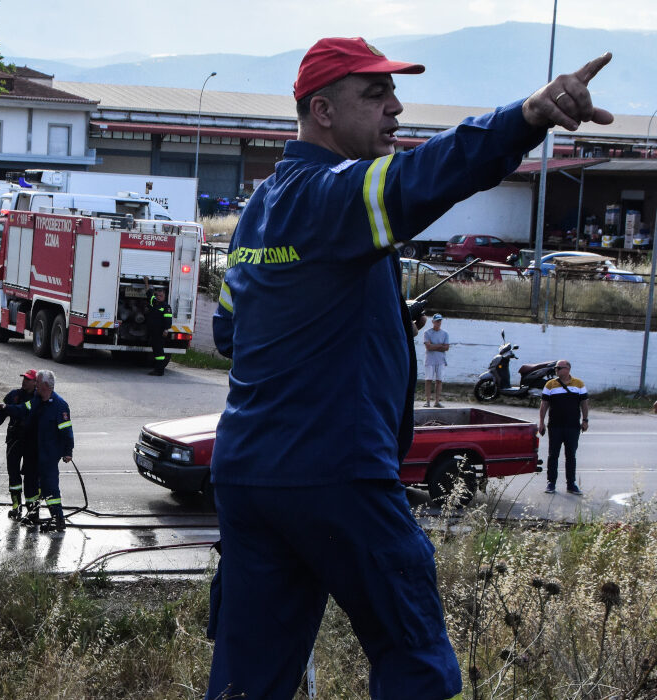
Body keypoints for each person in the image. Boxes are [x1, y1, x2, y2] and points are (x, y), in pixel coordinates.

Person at [208, 36, 612, 700]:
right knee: (414, 656)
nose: (396, 108)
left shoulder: (258, 212)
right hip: (337, 471)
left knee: (249, 681)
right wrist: (529, 116)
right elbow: (427, 176)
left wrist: (357, 323)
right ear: (323, 111)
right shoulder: (334, 192)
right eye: (375, 95)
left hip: (248, 478)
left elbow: (231, 330)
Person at [0, 369, 74, 532]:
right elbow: (22, 409)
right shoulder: (36, 400)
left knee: (50, 487)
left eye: (38, 383)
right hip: (33, 453)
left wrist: (68, 451)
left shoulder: (60, 406)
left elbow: (67, 432)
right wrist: (7, 408)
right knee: (31, 486)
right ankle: (33, 514)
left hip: (49, 455)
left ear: (46, 386)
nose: (36, 386)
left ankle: (58, 519)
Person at [0, 369, 38, 518]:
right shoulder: (14, 395)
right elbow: (1, 411)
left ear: (35, 382)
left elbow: (20, 411)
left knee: (31, 477)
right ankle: (16, 507)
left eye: (28, 379)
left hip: (32, 443)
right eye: (24, 378)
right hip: (14, 441)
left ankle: (32, 510)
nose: (24, 381)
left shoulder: (38, 399)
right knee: (13, 475)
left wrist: (7, 408)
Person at [538, 359, 590, 495]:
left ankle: (571, 484)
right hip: (555, 426)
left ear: (568, 369)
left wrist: (585, 420)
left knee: (571, 455)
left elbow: (584, 403)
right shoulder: (550, 385)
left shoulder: (579, 384)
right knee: (553, 455)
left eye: (559, 368)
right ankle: (551, 483)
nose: (557, 370)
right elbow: (544, 405)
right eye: (556, 368)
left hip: (572, 426)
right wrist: (541, 422)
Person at [143, 276, 174, 376]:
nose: (158, 296)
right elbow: (149, 293)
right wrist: (146, 282)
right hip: (153, 332)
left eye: (161, 295)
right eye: (157, 295)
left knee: (159, 351)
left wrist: (166, 330)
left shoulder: (166, 307)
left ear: (164, 296)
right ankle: (157, 369)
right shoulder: (154, 303)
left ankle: (159, 370)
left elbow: (168, 320)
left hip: (160, 332)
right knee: (156, 350)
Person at [422, 313, 450, 407]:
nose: (438, 322)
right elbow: (428, 347)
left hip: (440, 360)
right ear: (433, 321)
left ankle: (437, 401)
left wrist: (434, 345)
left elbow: (446, 347)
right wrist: (440, 345)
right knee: (428, 380)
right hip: (430, 360)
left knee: (439, 380)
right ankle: (428, 401)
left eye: (440, 321)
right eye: (437, 321)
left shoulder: (445, 333)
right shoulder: (427, 332)